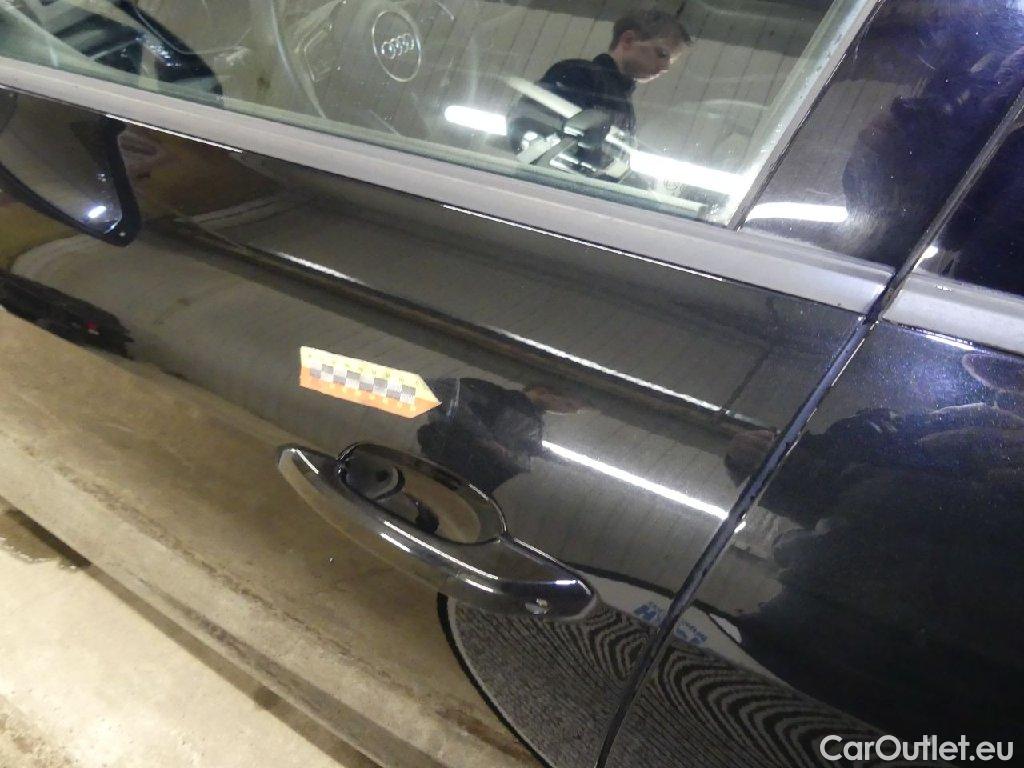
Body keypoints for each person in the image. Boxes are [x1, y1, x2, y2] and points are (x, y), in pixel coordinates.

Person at [508, 9, 689, 176]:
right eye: (662, 53)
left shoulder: (622, 105)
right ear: (628, 40)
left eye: (670, 62)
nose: (665, 67)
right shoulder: (578, 74)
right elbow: (529, 129)